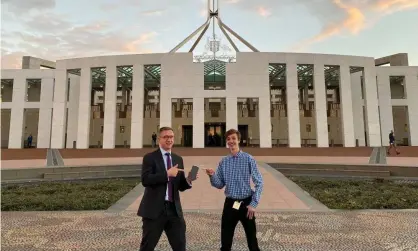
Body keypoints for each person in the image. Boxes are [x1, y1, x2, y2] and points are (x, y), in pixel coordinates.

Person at [137, 127, 198, 251]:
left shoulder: (178, 159)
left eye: (171, 137)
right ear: (159, 139)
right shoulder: (150, 157)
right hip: (154, 211)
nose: (169, 139)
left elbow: (180, 186)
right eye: (166, 137)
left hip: (173, 210)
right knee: (147, 246)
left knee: (180, 246)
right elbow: (145, 180)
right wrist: (167, 174)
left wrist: (189, 180)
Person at [205, 128, 263, 251]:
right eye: (228, 139)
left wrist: (254, 203)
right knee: (225, 241)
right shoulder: (224, 162)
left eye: (233, 138)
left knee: (252, 240)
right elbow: (219, 184)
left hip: (246, 203)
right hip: (230, 203)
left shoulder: (248, 159)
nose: (231, 141)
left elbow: (259, 182)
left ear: (238, 140)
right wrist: (212, 176)